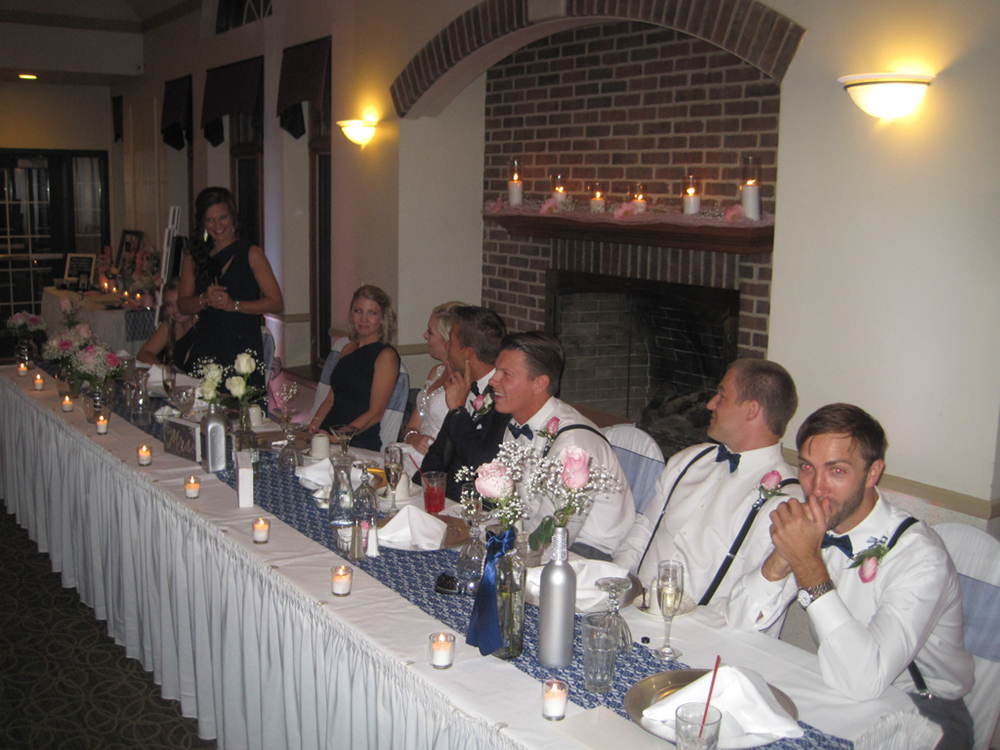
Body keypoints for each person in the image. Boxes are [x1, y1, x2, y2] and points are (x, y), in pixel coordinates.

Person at [726, 404, 974, 749]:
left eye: (837, 471)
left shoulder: (920, 557)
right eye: (807, 468)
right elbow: (738, 624)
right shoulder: (815, 524)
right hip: (839, 690)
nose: (817, 488)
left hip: (927, 715)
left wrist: (808, 563)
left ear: (873, 473)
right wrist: (783, 556)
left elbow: (864, 681)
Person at [634, 359, 803, 607]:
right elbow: (644, 530)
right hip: (635, 607)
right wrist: (617, 586)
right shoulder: (688, 461)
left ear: (751, 410)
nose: (710, 404)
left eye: (721, 396)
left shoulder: (786, 502)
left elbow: (755, 605)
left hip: (700, 627)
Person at [490, 331, 641, 564]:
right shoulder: (515, 425)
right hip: (536, 539)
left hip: (587, 553)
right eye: (496, 370)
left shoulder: (573, 445)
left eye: (506, 374)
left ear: (540, 383)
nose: (493, 380)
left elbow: (554, 537)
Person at [176, 187, 283, 389]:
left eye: (223, 218)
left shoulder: (251, 254)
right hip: (207, 345)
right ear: (203, 223)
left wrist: (234, 305)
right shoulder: (194, 256)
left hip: (242, 347)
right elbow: (182, 305)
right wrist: (204, 299)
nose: (218, 226)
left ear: (232, 217)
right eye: (211, 220)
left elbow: (276, 302)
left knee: (242, 404)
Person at [419, 305, 510, 498]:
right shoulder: (466, 385)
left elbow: (482, 463)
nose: (446, 347)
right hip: (443, 497)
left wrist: (458, 410)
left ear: (468, 353)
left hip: (474, 503)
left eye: (451, 342)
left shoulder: (505, 399)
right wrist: (419, 489)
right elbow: (437, 453)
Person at [308, 285, 400, 452]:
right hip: (328, 434)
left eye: (372, 313)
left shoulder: (386, 356)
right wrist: (313, 426)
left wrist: (339, 437)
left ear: (383, 318)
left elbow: (375, 413)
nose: (364, 319)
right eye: (358, 311)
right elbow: (330, 399)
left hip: (357, 439)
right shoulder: (347, 349)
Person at [400, 301, 466, 456]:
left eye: (430, 332)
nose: (425, 335)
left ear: (447, 341)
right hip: (414, 451)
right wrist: (413, 438)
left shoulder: (464, 381)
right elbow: (411, 427)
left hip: (438, 457)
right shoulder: (436, 372)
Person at [136, 278, 197, 368]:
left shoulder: (203, 326)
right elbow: (143, 354)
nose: (175, 310)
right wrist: (165, 370)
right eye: (169, 305)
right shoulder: (171, 324)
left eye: (179, 303)